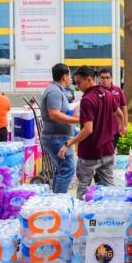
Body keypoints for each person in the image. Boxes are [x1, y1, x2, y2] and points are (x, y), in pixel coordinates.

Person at [58, 66, 124, 199]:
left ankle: (82, 218)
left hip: (90, 153)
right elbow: (120, 114)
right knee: (109, 188)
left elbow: (88, 129)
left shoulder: (87, 100)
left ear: (88, 80)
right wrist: (120, 127)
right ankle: (110, 215)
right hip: (108, 150)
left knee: (83, 188)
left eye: (79, 82)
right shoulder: (108, 94)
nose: (77, 86)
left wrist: (68, 143)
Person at [39, 64, 80, 193]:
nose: (71, 78)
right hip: (56, 138)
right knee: (68, 169)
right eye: (69, 75)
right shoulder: (54, 92)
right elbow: (54, 114)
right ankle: (59, 201)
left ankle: (56, 200)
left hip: (58, 136)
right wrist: (77, 120)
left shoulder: (58, 90)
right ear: (64, 76)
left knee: (61, 170)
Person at [99, 68, 128, 141]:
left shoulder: (118, 90)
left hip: (115, 128)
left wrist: (125, 125)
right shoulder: (96, 91)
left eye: (107, 77)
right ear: (99, 79)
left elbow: (124, 108)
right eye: (102, 77)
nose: (105, 80)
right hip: (100, 129)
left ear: (111, 78)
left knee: (112, 150)